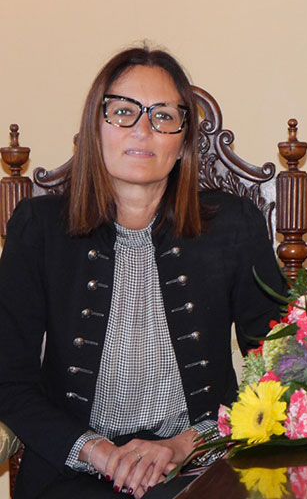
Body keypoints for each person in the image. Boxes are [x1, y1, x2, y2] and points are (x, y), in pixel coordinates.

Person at [0, 48, 285, 498]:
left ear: (184, 141)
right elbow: (9, 381)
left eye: (163, 116)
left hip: (198, 467)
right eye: (122, 112)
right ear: (95, 127)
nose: (143, 129)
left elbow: (281, 367)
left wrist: (186, 444)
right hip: (73, 469)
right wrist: (97, 451)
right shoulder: (39, 229)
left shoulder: (233, 226)